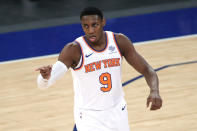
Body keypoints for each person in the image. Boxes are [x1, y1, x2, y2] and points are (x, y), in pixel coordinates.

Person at [36, 6, 162, 131]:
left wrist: (154, 90)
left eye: (94, 25)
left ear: (103, 22)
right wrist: (44, 77)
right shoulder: (74, 50)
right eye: (86, 26)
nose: (90, 30)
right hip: (89, 117)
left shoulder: (119, 42)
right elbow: (43, 85)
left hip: (118, 112)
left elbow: (147, 70)